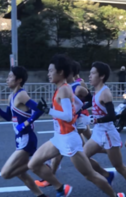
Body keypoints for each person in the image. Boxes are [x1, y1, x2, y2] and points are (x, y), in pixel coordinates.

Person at [28, 55, 125, 197]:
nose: (48, 74)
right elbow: (77, 106)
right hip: (59, 137)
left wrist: (48, 110)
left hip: (69, 140)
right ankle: (60, 189)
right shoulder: (62, 88)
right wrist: (78, 111)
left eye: (51, 71)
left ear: (60, 72)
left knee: (90, 175)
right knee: (33, 164)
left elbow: (66, 116)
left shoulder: (65, 89)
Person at [0, 66, 50, 197]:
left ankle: (37, 163)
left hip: (27, 138)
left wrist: (26, 124)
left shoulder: (22, 95)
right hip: (20, 139)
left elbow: (40, 109)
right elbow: (9, 117)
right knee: (20, 173)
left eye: (10, 77)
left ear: (19, 80)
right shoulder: (11, 97)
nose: (7, 79)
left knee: (5, 173)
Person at [82, 61, 126, 197]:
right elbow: (92, 102)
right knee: (82, 157)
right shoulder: (96, 90)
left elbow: (112, 116)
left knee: (119, 166)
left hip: (108, 133)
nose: (89, 76)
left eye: (92, 73)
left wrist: (96, 120)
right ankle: (106, 174)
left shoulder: (105, 92)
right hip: (98, 132)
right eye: (89, 73)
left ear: (101, 76)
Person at [35, 60, 91, 188]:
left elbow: (88, 100)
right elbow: (76, 104)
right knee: (74, 149)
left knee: (87, 156)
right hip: (66, 129)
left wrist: (77, 113)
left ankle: (106, 173)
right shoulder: (65, 87)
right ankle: (52, 178)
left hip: (78, 122)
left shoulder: (78, 84)